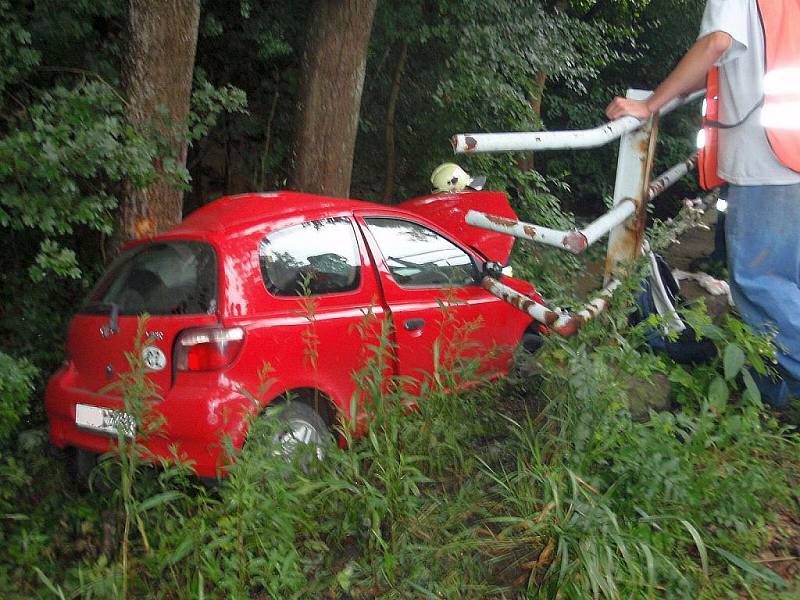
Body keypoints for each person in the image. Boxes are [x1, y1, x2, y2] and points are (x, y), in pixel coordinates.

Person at [606, 0, 800, 407]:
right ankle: (772, 394)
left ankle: (777, 388)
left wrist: (649, 104)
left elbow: (716, 44)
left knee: (762, 283)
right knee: (788, 282)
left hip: (770, 159)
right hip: (789, 153)